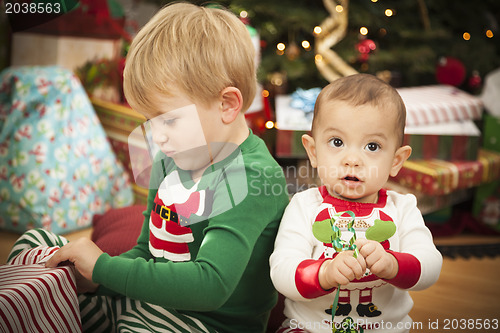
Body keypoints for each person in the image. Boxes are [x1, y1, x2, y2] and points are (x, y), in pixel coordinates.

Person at [8, 3, 289, 332]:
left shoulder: (249, 176)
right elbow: (147, 251)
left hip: (205, 323)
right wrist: (95, 279)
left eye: (169, 119)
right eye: (149, 120)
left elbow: (210, 285)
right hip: (141, 303)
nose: (157, 137)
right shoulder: (170, 160)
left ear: (226, 104)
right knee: (36, 244)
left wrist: (101, 269)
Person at [269, 74, 442, 333]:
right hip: (309, 327)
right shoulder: (304, 206)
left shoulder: (403, 209)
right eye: (337, 142)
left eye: (372, 146)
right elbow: (282, 270)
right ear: (313, 152)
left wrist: (393, 264)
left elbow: (430, 265)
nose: (352, 159)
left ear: (396, 161)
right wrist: (325, 273)